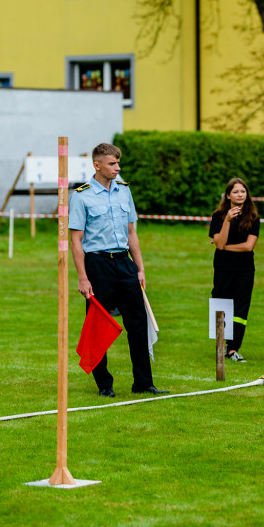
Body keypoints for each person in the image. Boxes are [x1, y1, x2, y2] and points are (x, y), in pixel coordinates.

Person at [69, 142, 167, 397]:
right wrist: (82, 277)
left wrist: (140, 268)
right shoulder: (81, 195)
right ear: (97, 165)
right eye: (112, 163)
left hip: (124, 263)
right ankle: (104, 385)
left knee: (138, 322)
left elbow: (131, 233)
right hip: (97, 265)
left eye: (118, 163)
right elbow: (76, 240)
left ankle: (143, 383)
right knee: (98, 324)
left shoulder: (124, 191)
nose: (117, 168)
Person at [209, 177, 260, 363]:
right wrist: (227, 221)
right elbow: (220, 243)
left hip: (245, 269)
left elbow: (248, 247)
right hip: (223, 268)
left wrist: (223, 246)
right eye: (236, 191)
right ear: (228, 195)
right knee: (221, 304)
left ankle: (233, 349)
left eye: (243, 191)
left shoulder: (253, 217)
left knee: (240, 308)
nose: (240, 195)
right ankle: (221, 346)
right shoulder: (218, 216)